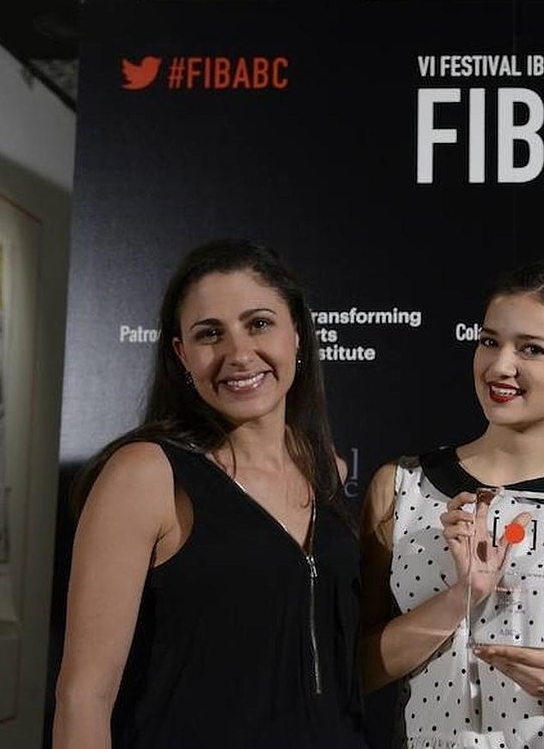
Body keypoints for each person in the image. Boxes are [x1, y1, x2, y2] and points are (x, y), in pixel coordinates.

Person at [52, 239, 369, 748]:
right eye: (209, 334)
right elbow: (82, 698)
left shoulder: (326, 470)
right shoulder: (145, 475)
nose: (239, 354)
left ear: (298, 336)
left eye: (259, 323)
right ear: (181, 354)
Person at [359, 260, 544, 749]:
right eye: (490, 341)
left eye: (531, 349)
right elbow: (356, 670)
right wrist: (460, 597)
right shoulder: (400, 488)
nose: (499, 365)